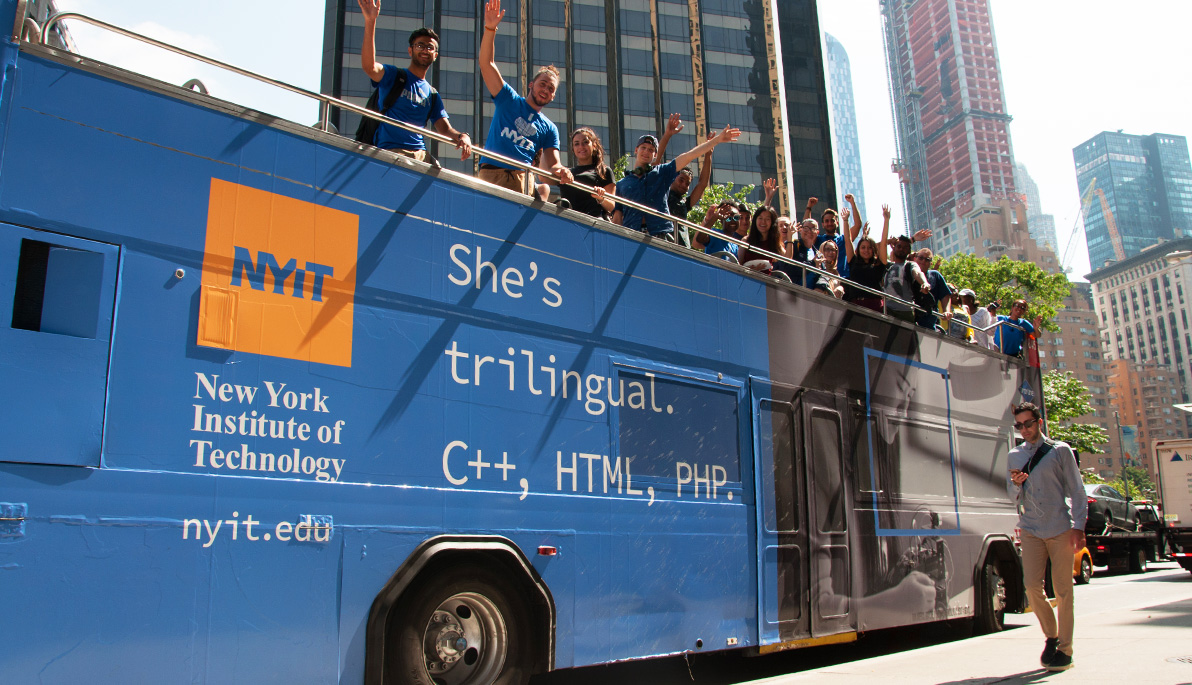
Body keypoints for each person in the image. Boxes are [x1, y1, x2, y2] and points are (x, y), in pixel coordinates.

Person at [1007, 402, 1086, 672]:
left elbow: (1076, 490)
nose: (1024, 429)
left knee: (1064, 591)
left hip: (1060, 527)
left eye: (1029, 423)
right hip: (1030, 528)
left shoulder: (1060, 451)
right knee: (1031, 587)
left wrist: (1079, 526)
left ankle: (1066, 649)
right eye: (1019, 425)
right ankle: (1051, 637)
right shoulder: (1014, 456)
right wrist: (1016, 485)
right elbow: (1009, 497)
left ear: (1039, 422)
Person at [356, 2, 471, 161]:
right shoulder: (394, 75)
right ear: (410, 50)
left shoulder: (432, 95)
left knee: (443, 177)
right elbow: (369, 67)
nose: (425, 50)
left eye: (430, 47)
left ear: (435, 55)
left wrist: (463, 136)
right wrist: (370, 21)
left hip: (420, 154)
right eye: (420, 45)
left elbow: (444, 129)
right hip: (391, 150)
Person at [478, 0, 572, 194]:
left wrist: (562, 171)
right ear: (531, 85)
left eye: (550, 88)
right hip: (493, 174)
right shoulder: (508, 99)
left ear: (553, 96)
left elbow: (553, 165)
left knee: (542, 192)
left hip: (523, 180)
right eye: (542, 84)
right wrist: (490, 28)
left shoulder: (549, 128)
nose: (545, 89)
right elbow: (486, 63)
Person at [610, 125, 740, 240]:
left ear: (655, 155)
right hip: (631, 235)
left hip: (658, 235)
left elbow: (689, 155)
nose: (646, 152)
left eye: (651, 150)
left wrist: (716, 141)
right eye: (643, 147)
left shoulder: (661, 172)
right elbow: (617, 217)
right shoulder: (622, 183)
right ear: (636, 150)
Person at [557, 128, 615, 219]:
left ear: (594, 145)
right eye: (576, 144)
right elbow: (543, 177)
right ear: (573, 148)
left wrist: (601, 198)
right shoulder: (567, 173)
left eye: (585, 142)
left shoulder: (604, 170)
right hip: (567, 221)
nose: (581, 147)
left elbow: (611, 206)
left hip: (592, 221)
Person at [842, 207, 890, 312]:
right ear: (858, 249)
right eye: (863, 247)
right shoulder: (853, 261)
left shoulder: (879, 264)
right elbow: (847, 241)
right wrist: (845, 221)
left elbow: (884, 244)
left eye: (869, 248)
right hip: (856, 304)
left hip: (875, 305)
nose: (866, 250)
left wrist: (886, 220)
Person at [880, 234, 930, 323]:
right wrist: (888, 241)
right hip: (887, 309)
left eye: (905, 247)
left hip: (905, 312)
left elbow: (918, 273)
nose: (901, 249)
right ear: (894, 247)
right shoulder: (887, 265)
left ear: (909, 251)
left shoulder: (910, 265)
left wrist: (924, 283)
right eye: (899, 246)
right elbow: (875, 248)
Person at [910, 248, 952, 330]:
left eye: (927, 259)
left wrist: (946, 311)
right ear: (915, 259)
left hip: (928, 324)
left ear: (931, 263)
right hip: (908, 320)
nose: (923, 261)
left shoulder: (935, 275)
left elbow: (945, 295)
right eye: (921, 258)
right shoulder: (907, 272)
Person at [740, 206, 782, 272]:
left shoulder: (773, 241)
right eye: (760, 218)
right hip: (747, 279)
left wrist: (789, 238)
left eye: (767, 219)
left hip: (766, 280)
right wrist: (750, 271)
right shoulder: (746, 240)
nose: (763, 222)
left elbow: (787, 258)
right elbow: (739, 265)